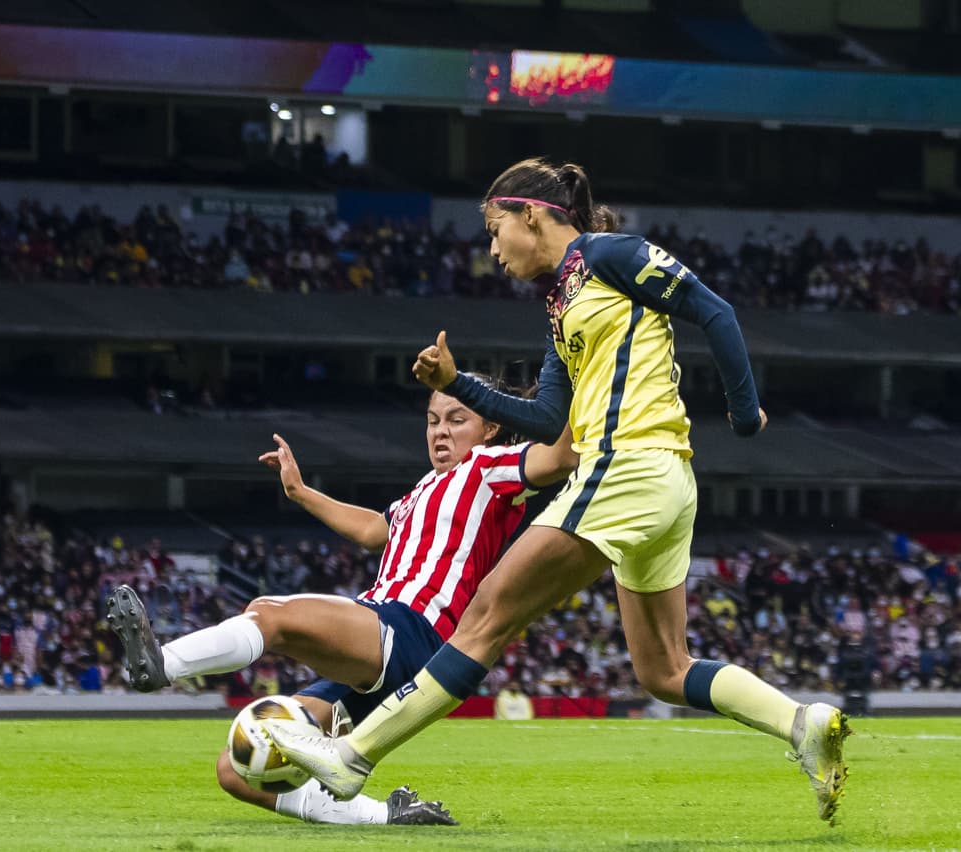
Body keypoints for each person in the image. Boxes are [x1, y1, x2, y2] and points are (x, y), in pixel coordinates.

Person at [265, 156, 853, 826]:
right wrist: (457, 384)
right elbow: (547, 422)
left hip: (626, 467)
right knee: (663, 670)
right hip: (661, 485)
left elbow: (713, 311)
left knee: (487, 614)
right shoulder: (561, 308)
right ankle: (804, 722)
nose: (491, 249)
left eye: (494, 230)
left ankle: (353, 757)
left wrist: (745, 414)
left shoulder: (611, 254)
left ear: (532, 215)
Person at [107, 377, 577, 826]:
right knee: (236, 767)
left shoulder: (492, 468)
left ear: (490, 426)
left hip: (413, 631)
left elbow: (559, 458)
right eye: (433, 420)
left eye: (456, 420)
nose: (439, 432)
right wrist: (301, 492)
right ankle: (385, 815)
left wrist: (594, 385)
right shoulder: (424, 489)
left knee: (272, 615)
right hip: (384, 650)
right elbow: (376, 529)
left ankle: (161, 665)